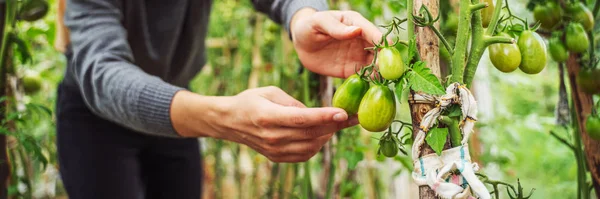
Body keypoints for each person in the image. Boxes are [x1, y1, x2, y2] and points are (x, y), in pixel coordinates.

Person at [56, 0, 385, 198]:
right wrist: (222, 117)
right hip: (95, 121)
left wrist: (303, 16)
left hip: (178, 111)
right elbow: (101, 72)